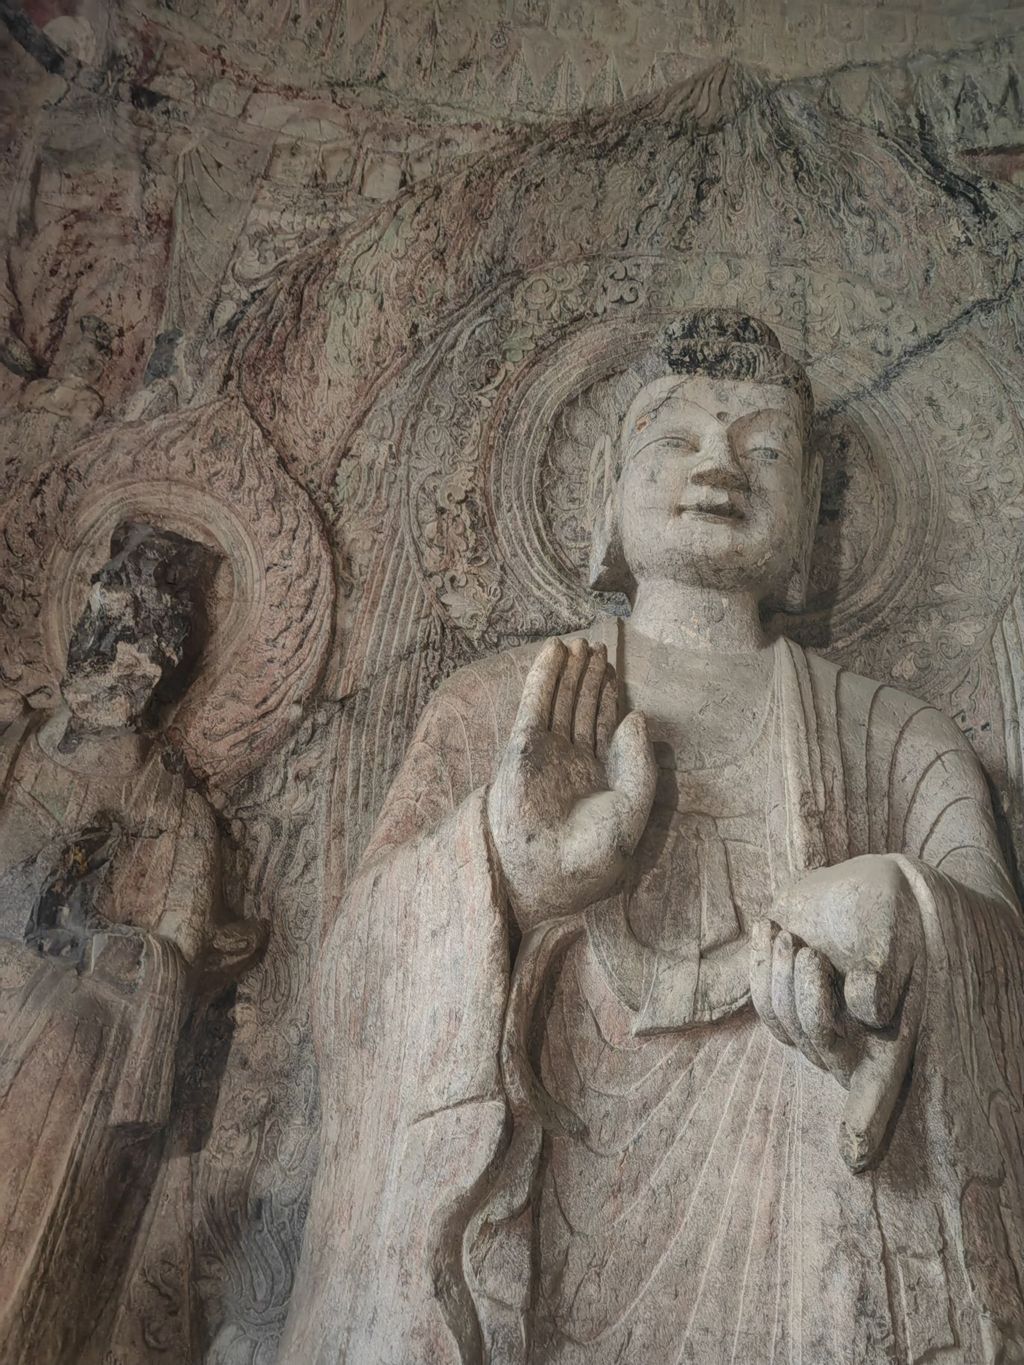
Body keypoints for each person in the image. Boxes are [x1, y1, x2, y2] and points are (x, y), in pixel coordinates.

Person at [284, 311, 1024, 1364]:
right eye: (675, 440)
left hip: (814, 1226)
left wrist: (908, 918)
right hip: (547, 1195)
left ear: (808, 523)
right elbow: (355, 985)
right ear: (606, 500)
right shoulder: (495, 707)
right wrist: (504, 868)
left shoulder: (899, 738)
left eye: (764, 447)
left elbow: (1004, 973)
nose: (718, 465)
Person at [0, 522, 265, 1364]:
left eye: (137, 638)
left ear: (161, 670)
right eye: (102, 619)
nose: (111, 648)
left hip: (64, 1037)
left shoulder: (175, 815)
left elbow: (174, 958)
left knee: (71, 1039)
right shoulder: (9, 752)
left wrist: (89, 936)